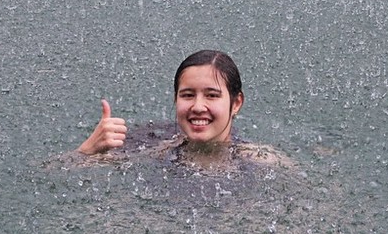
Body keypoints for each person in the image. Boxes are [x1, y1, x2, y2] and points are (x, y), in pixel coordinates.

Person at [75, 49, 286, 167]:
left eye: (212, 95)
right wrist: (87, 150)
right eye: (187, 95)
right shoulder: (149, 146)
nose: (198, 106)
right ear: (176, 99)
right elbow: (50, 174)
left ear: (236, 103)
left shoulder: (262, 161)